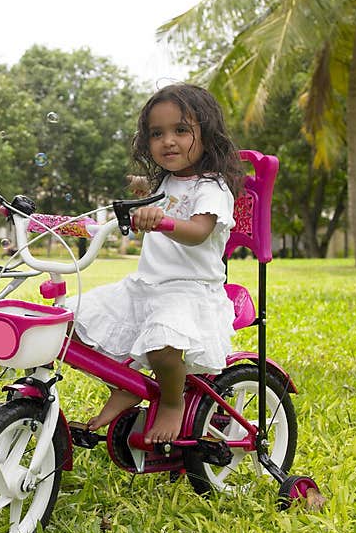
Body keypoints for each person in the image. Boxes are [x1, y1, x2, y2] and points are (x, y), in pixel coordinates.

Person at [73, 83, 244, 444]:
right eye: (157, 133)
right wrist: (145, 191)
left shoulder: (212, 187)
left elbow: (198, 230)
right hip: (146, 285)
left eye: (181, 130)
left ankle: (171, 400)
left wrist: (163, 221)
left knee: (161, 344)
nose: (168, 141)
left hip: (190, 290)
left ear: (206, 134)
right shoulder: (166, 181)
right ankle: (127, 385)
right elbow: (162, 196)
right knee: (80, 321)